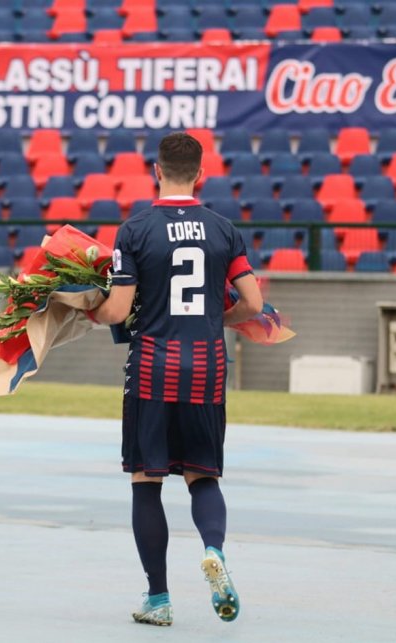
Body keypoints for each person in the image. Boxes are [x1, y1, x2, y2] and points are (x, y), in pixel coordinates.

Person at [88, 132, 263, 627]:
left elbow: (118, 309)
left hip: (152, 369)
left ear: (156, 171)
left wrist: (85, 311)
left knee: (147, 480)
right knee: (202, 474)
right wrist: (215, 320)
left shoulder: (136, 229)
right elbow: (250, 303)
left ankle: (159, 599)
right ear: (201, 175)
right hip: (207, 367)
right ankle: (214, 551)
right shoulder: (224, 230)